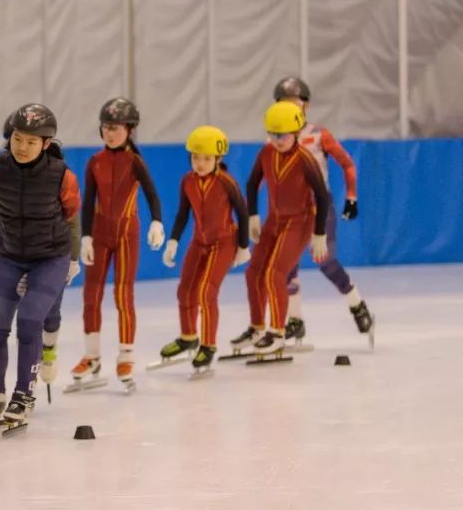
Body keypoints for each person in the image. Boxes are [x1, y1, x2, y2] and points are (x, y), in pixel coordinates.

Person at [0, 103, 80, 430]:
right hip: (11, 255)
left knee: (30, 321)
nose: (22, 146)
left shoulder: (62, 176)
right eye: (18, 138)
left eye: (32, 141)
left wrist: (72, 257)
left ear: (46, 144)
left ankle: (23, 393)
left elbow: (71, 213)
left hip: (50, 257)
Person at [273, 77, 374, 343]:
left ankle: (356, 303)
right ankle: (295, 321)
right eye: (284, 105)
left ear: (305, 106)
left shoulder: (318, 135)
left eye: (295, 104)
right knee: (286, 265)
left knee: (324, 260)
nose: (291, 110)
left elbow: (348, 164)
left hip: (319, 207)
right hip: (292, 210)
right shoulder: (277, 138)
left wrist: (351, 197)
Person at [74, 98, 164, 392]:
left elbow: (152, 194)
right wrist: (85, 236)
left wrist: (156, 221)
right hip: (99, 234)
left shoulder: (135, 161)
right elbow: (88, 202)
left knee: (123, 294)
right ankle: (92, 354)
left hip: (127, 234)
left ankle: (126, 355)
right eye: (106, 127)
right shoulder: (94, 162)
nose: (110, 133)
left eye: (116, 127)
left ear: (130, 129)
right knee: (91, 294)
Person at [231, 100, 330, 358]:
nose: (277, 139)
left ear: (296, 132)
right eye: (272, 134)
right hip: (274, 221)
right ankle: (257, 328)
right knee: (253, 273)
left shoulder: (305, 159)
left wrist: (319, 233)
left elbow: (322, 195)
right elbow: (252, 183)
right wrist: (253, 215)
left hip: (299, 222)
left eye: (283, 134)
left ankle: (278, 332)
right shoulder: (266, 153)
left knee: (275, 274)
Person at [156, 125, 250, 374]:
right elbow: (183, 212)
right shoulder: (187, 181)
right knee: (185, 290)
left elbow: (242, 211)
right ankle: (188, 337)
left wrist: (243, 246)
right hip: (199, 241)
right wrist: (173, 240)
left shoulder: (226, 182)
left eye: (207, 158)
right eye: (196, 157)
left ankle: (208, 345)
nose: (200, 163)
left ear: (218, 159)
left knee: (207, 293)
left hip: (224, 242)